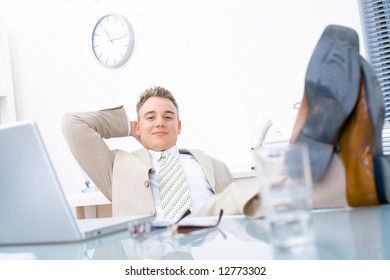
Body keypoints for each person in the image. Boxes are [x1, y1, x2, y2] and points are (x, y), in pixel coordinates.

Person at [62, 86, 262, 220]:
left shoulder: (214, 165)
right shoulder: (117, 168)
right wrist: (130, 127)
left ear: (179, 126)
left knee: (236, 195)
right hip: (149, 255)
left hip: (208, 243)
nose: (159, 122)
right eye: (150, 117)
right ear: (139, 126)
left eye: (168, 117)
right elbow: (73, 125)